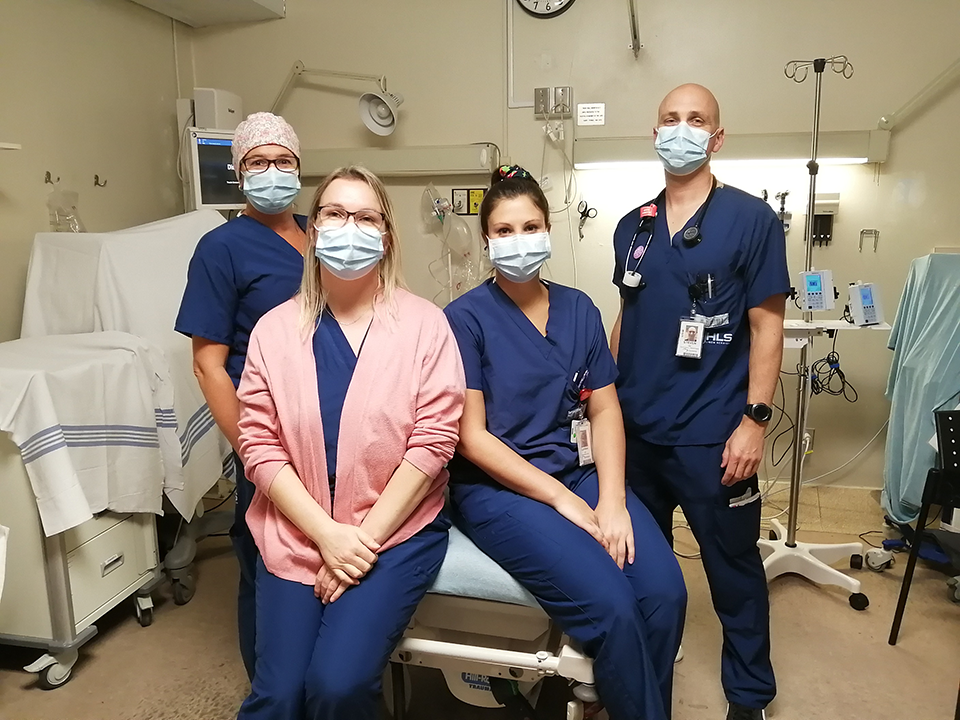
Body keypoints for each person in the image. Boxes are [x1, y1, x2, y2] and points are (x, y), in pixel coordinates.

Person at [444, 165, 687, 720]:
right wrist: (559, 498)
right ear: (486, 241)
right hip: (498, 489)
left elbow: (603, 408)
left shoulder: (579, 308)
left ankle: (622, 696)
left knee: (665, 595)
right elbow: (472, 438)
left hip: (579, 470)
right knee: (614, 608)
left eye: (529, 226)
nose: (518, 240)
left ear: (548, 230)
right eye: (503, 231)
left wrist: (614, 501)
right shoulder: (464, 320)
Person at [235, 166, 465, 720]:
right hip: (297, 531)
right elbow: (258, 444)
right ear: (312, 230)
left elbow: (434, 441)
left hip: (393, 532)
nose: (349, 226)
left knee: (337, 686)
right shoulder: (273, 330)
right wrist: (326, 537)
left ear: (386, 237)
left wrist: (357, 543)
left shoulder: (425, 326)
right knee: (278, 696)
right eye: (335, 213)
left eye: (366, 217)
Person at [610, 84, 789, 720]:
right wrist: (601, 402)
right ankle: (653, 660)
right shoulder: (634, 227)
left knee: (734, 573)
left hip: (714, 437)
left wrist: (755, 422)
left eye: (695, 120)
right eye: (669, 119)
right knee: (643, 570)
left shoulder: (752, 221)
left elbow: (769, 327)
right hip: (637, 435)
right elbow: (626, 319)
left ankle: (749, 698)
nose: (680, 129)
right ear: (653, 131)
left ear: (716, 137)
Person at [175, 112, 307, 679]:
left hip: (334, 427)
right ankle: (271, 685)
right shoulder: (221, 247)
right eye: (258, 162)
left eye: (283, 161)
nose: (272, 171)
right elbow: (208, 366)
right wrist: (252, 450)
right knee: (265, 553)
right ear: (238, 173)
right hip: (267, 430)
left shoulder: (324, 232)